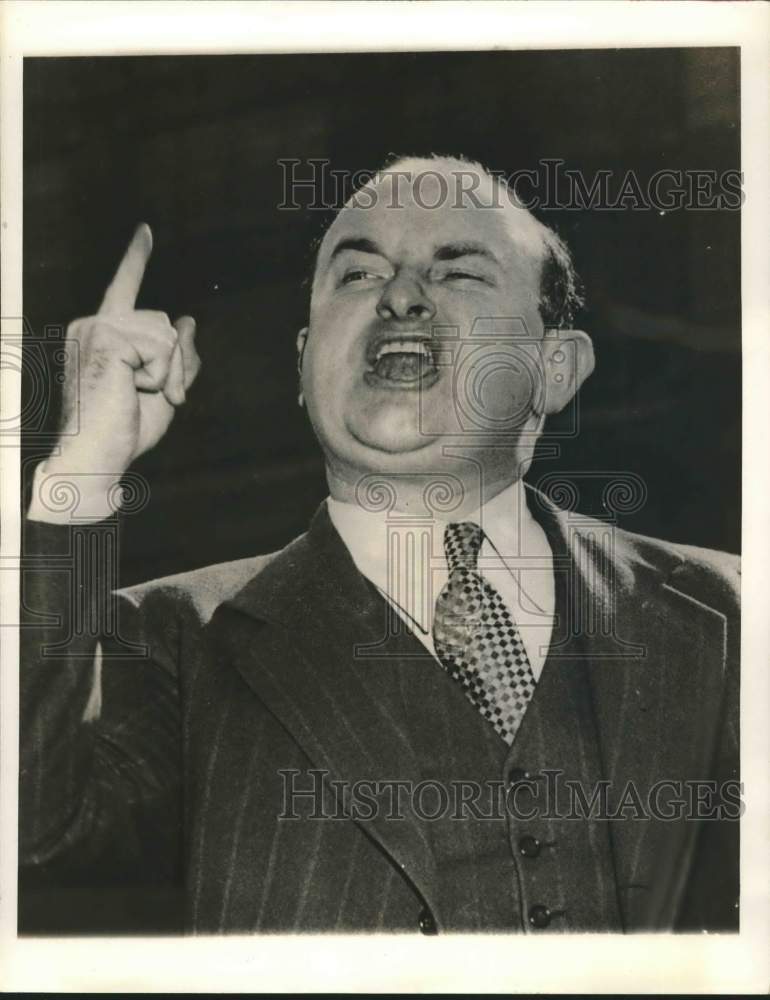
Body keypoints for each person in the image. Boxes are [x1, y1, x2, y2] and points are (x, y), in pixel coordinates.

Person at [20, 156, 740, 934]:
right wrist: (80, 469)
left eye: (459, 274)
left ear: (554, 370)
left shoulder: (733, 609)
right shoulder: (163, 640)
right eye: (358, 275)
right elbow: (28, 829)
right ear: (302, 363)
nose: (400, 296)